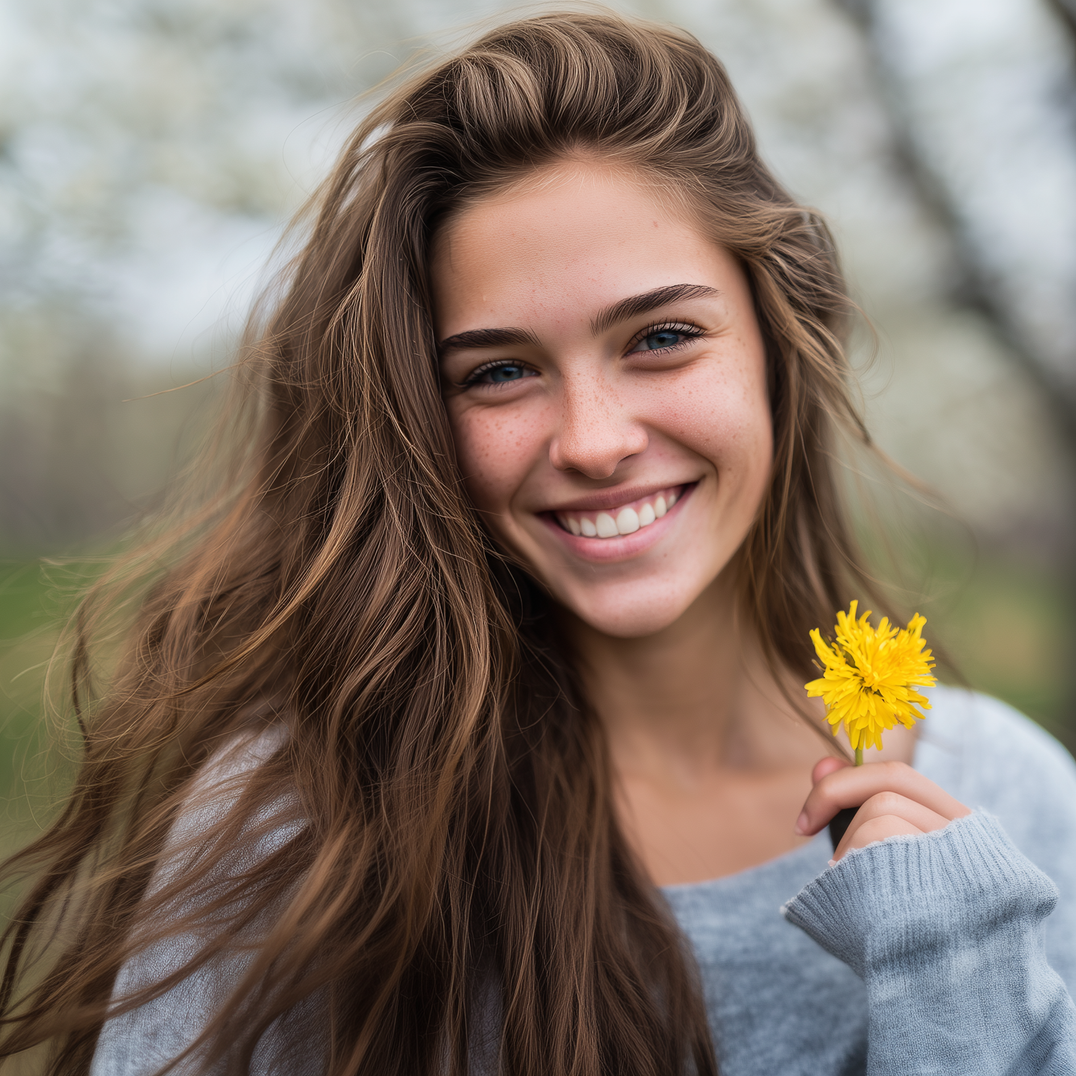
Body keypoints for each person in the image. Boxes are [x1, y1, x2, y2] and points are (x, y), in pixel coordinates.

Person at [2, 10, 1075, 1076]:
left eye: (659, 337)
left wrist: (946, 957)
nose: (594, 441)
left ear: (776, 345)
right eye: (498, 371)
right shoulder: (309, 832)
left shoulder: (1011, 801)